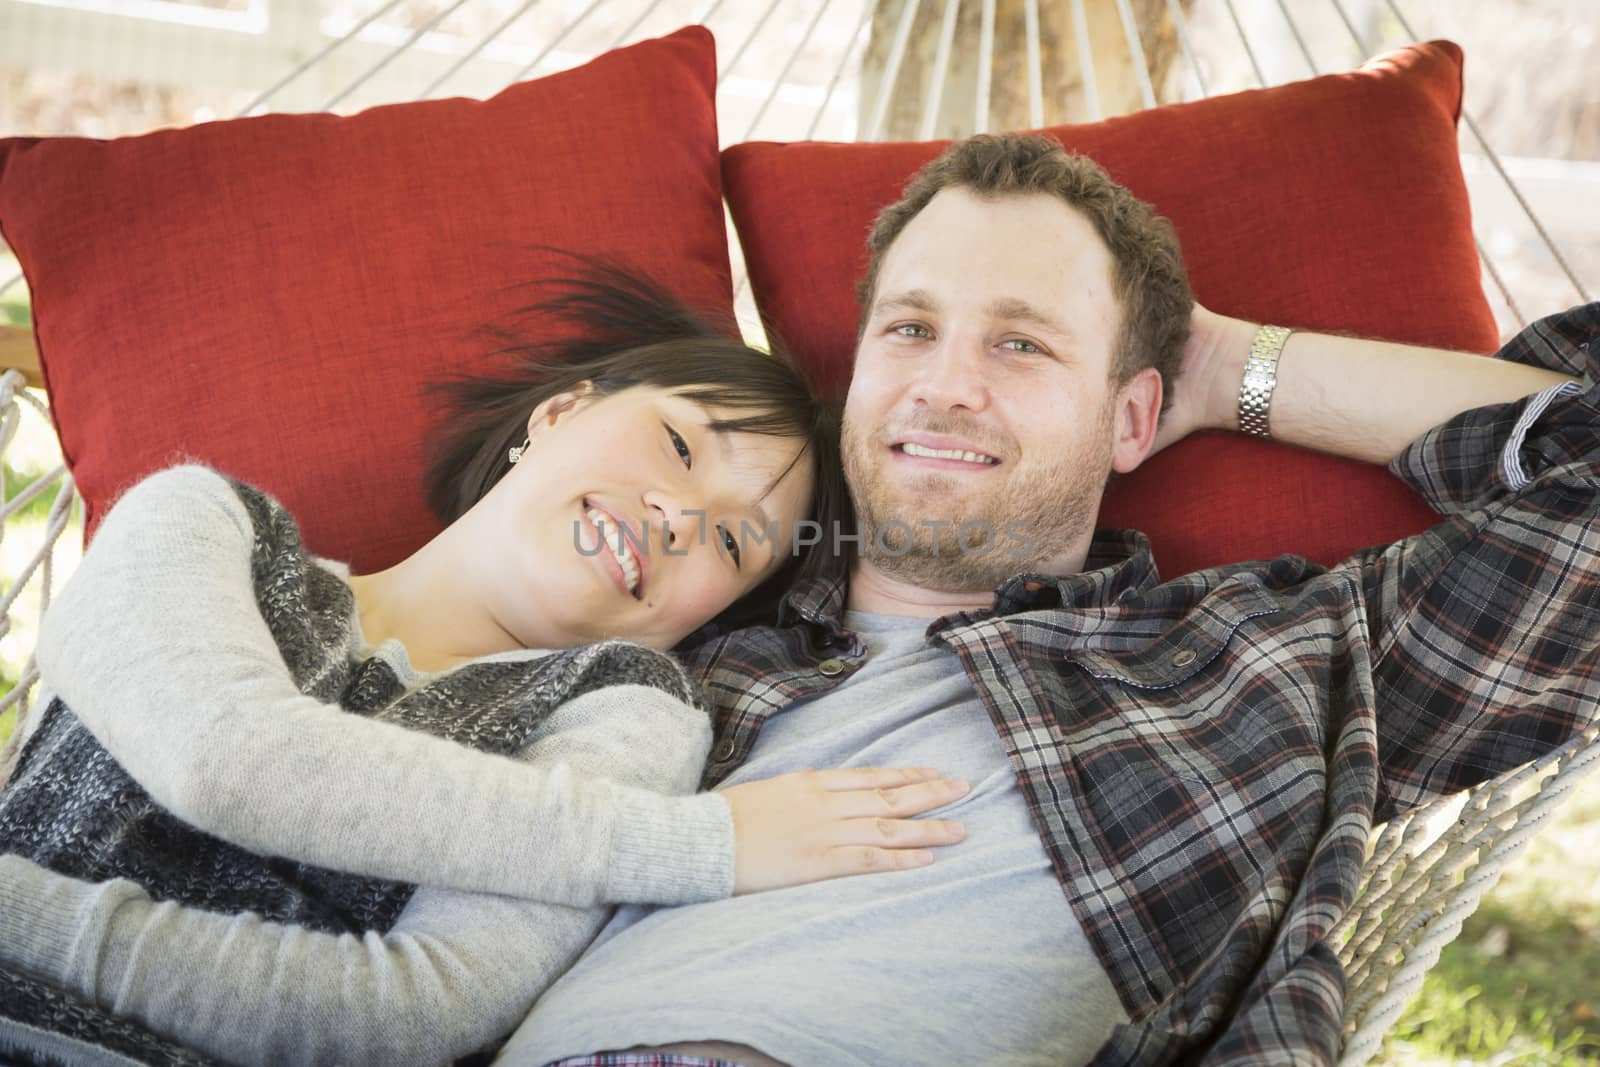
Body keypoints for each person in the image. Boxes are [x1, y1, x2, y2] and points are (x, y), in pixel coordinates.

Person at [480, 136, 1595, 1067]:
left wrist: (1220, 370)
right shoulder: (692, 610)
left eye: (1020, 343)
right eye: (909, 328)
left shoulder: (1255, 664)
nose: (944, 385)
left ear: (1130, 417)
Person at [0, 263, 970, 1067]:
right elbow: (222, 754)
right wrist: (697, 844)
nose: (679, 516)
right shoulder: (203, 522)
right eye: (678, 443)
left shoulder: (626, 711)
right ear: (557, 413)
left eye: (732, 541)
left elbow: (409, 1012)